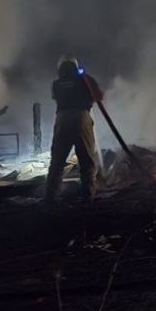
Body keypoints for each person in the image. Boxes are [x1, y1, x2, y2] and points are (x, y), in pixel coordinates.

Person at [45, 54, 103, 205]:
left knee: (57, 161)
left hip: (62, 119)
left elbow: (57, 97)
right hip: (82, 118)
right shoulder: (85, 79)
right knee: (86, 161)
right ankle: (87, 197)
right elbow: (99, 96)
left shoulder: (56, 84)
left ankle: (51, 198)